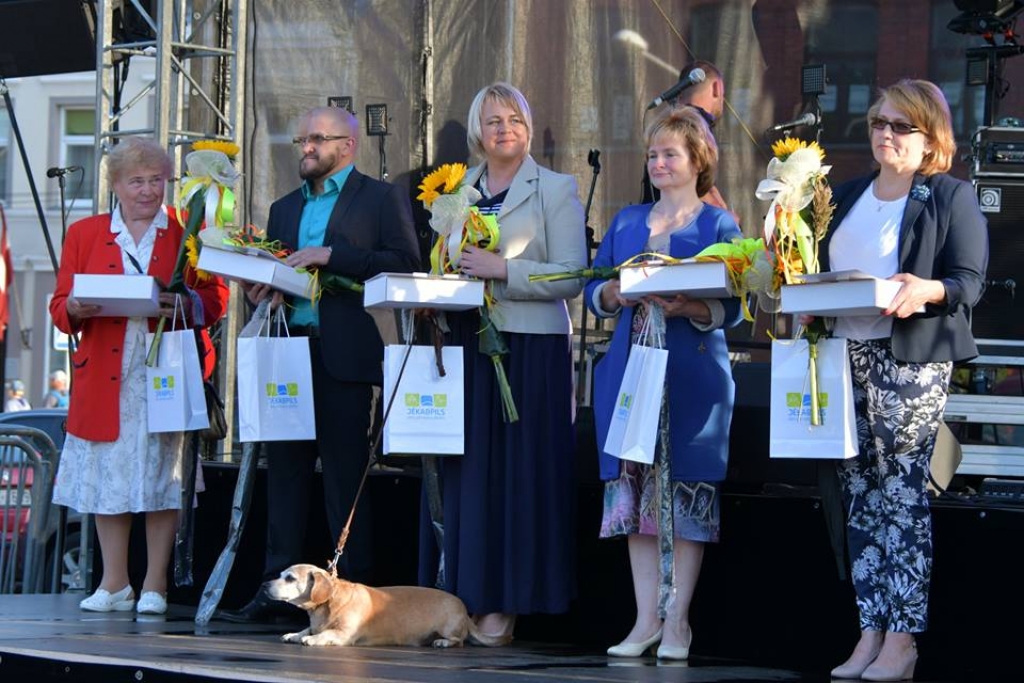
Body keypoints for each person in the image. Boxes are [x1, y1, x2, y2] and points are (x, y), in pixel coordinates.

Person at [223, 106, 420, 622]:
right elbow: (275, 281)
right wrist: (257, 290)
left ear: (347, 145)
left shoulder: (380, 198)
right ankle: (277, 597)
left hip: (345, 356)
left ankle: (357, 603)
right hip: (289, 352)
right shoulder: (284, 207)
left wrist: (333, 256)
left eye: (317, 139)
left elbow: (405, 264)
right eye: (302, 140)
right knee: (283, 476)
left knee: (343, 482)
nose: (306, 148)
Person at [820, 80, 988, 681]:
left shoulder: (948, 195)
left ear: (930, 137)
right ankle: (869, 630)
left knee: (901, 497)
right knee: (859, 496)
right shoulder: (844, 195)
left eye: (900, 126)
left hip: (910, 359)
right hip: (844, 354)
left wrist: (925, 289)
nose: (885, 134)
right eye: (878, 123)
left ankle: (903, 639)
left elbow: (969, 281)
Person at [417, 82, 587, 641]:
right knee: (467, 478)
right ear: (477, 131)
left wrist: (504, 270)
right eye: (492, 120)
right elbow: (447, 263)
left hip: (529, 351)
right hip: (465, 344)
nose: (503, 129)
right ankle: (460, 598)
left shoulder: (556, 188)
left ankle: (505, 603)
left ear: (529, 128)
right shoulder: (455, 190)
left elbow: (571, 276)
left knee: (518, 477)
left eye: (513, 118)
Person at [585, 106, 743, 660]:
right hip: (631, 375)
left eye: (669, 154)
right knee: (635, 495)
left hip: (692, 375)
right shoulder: (628, 220)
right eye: (652, 154)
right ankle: (644, 620)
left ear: (697, 160)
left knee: (685, 497)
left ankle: (678, 623)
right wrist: (613, 295)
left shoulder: (719, 225)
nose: (657, 163)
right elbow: (594, 289)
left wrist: (690, 305)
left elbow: (738, 309)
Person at [49, 136, 229, 615]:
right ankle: (113, 582)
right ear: (116, 185)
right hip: (106, 372)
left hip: (164, 369)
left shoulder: (187, 231)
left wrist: (183, 303)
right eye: (137, 181)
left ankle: (154, 584)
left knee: (162, 476)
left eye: (156, 181)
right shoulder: (85, 234)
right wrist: (73, 306)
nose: (148, 191)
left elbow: (216, 299)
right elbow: (58, 306)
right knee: (109, 476)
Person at [641, 59, 730, 213]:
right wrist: (722, 214)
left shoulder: (667, 126)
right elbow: (692, 186)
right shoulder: (695, 125)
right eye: (653, 156)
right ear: (716, 88)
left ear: (680, 95)